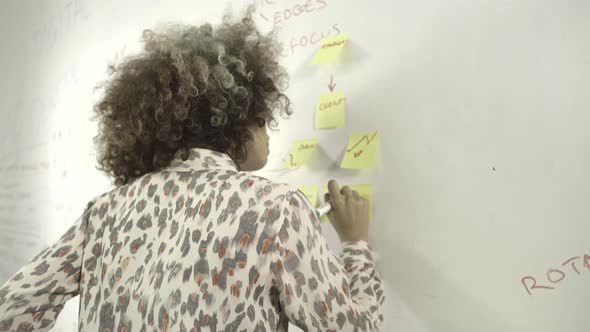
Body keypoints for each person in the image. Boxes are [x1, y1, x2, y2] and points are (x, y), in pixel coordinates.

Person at [0, 6, 384, 331]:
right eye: (263, 119)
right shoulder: (276, 208)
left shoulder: (104, 211)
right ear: (233, 121)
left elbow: (12, 307)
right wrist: (356, 245)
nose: (268, 133)